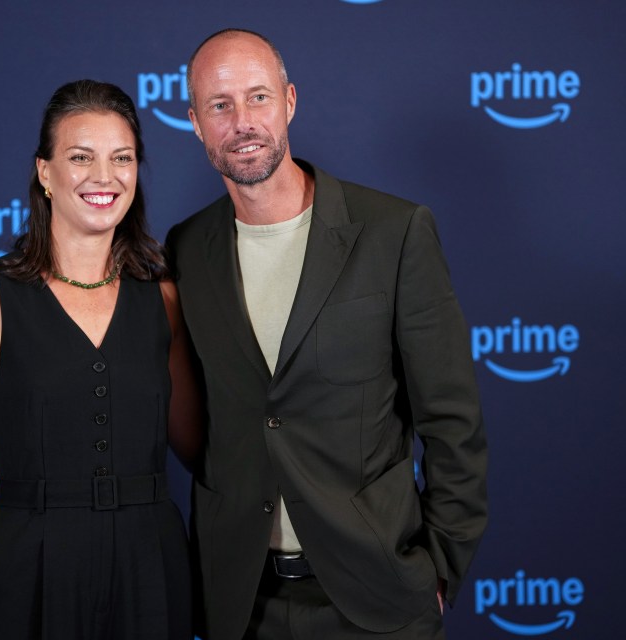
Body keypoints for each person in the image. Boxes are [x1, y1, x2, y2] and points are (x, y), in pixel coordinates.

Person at [166, 29, 488, 640]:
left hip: (374, 597)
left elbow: (453, 421)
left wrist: (439, 570)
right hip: (239, 601)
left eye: (257, 98)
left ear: (289, 101)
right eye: (219, 105)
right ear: (195, 122)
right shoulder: (187, 247)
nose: (242, 122)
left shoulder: (393, 231)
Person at [0, 79, 200, 639]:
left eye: (121, 158)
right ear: (45, 172)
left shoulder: (163, 298)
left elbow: (197, 443)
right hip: (27, 568)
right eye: (81, 157)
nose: (104, 176)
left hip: (151, 564)